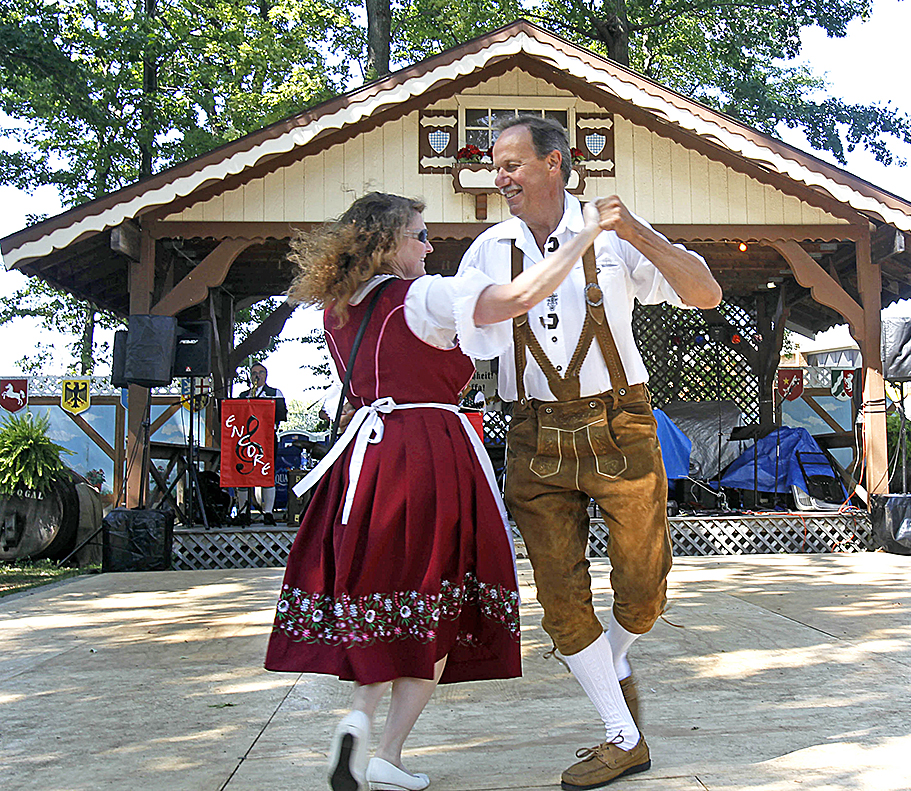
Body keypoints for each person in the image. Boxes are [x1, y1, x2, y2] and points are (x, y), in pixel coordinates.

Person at [264, 191, 605, 791]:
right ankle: (387, 753)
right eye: (418, 235)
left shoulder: (339, 307)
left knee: (387, 602)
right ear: (385, 244)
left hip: (367, 464)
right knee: (438, 605)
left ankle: (358, 722)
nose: (429, 246)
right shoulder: (419, 295)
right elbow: (519, 298)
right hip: (428, 454)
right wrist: (583, 238)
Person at [458, 115, 722, 790]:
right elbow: (466, 342)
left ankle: (616, 654)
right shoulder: (488, 249)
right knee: (559, 596)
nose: (500, 176)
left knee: (644, 585)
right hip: (533, 434)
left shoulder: (613, 238)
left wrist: (636, 232)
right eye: (496, 165)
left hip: (620, 423)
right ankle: (621, 732)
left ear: (554, 164)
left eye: (511, 163)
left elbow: (705, 292)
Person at [236, 362, 286, 525]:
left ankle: (268, 512)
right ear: (250, 376)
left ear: (266, 375)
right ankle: (243, 512)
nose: (257, 375)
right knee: (243, 474)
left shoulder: (274, 393)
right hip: (247, 438)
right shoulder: (243, 395)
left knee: (267, 473)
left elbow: (281, 413)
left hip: (266, 437)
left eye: (261, 372)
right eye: (254, 373)